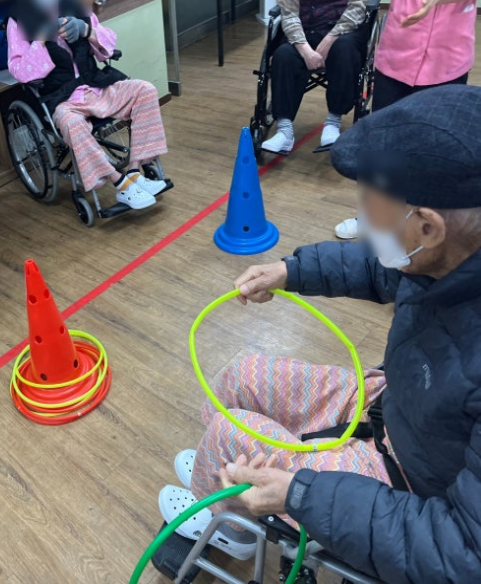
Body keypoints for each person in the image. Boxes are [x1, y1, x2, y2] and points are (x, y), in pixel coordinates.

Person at [160, 85, 481, 581]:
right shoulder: (448, 254)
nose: (363, 218)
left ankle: (229, 525)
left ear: (428, 227)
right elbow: (380, 266)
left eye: (370, 204)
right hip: (393, 406)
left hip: (411, 490)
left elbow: (460, 554)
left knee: (228, 434)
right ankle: (221, 475)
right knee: (241, 376)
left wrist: (298, 495)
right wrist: (290, 271)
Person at [334, 0, 479, 240]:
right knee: (382, 144)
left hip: (448, 54)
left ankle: (423, 223)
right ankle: (371, 216)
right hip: (399, 47)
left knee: (434, 148)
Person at [6, 0, 169, 210]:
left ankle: (134, 171)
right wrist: (40, 39)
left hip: (97, 86)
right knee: (72, 124)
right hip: (63, 100)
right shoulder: (19, 21)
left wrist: (86, 30)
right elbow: (20, 71)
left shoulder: (75, 5)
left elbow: (108, 46)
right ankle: (120, 183)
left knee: (145, 90)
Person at [261, 0, 373, 155]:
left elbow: (359, 5)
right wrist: (304, 48)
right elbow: (288, 9)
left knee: (345, 50)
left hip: (343, 30)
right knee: (283, 55)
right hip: (304, 31)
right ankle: (284, 130)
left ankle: (333, 122)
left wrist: (331, 38)